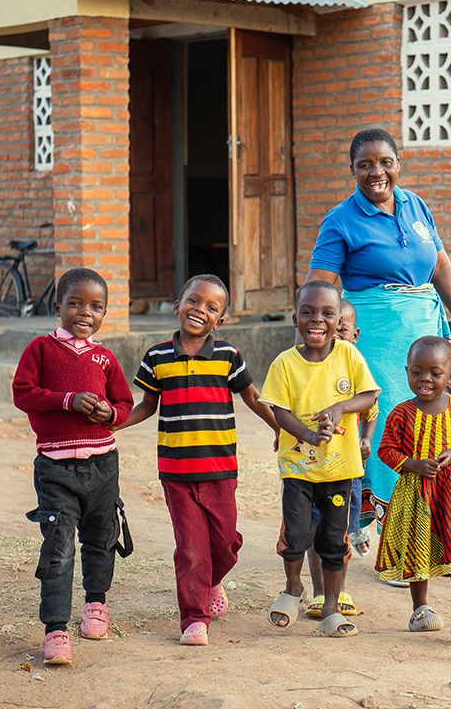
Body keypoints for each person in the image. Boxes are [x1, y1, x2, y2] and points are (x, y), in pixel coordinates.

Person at [304, 128, 451, 530]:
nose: (376, 172)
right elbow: (318, 290)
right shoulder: (340, 221)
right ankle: (390, 530)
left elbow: (440, 267)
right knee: (389, 426)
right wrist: (306, 358)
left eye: (385, 162)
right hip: (377, 341)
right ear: (352, 170)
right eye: (365, 165)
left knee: (433, 423)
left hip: (427, 337)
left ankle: (429, 524)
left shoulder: (415, 205)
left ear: (398, 164)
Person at [118, 274, 279, 646]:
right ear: (178, 305)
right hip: (175, 472)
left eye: (211, 307)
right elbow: (146, 406)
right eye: (193, 301)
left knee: (226, 544)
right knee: (190, 550)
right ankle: (194, 619)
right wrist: (113, 425)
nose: (199, 310)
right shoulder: (156, 357)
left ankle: (212, 581)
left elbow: (253, 399)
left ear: (219, 321)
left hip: (220, 469)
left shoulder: (228, 356)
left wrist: (280, 429)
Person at [11, 267, 135, 666]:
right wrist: (68, 400)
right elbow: (23, 393)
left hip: (103, 465)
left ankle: (96, 604)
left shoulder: (105, 357)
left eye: (96, 307)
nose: (86, 313)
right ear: (57, 307)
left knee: (101, 536)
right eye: (76, 304)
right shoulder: (41, 349)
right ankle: (56, 629)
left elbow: (124, 404)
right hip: (56, 469)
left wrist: (108, 412)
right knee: (59, 546)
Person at [260, 280, 379, 637]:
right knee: (296, 535)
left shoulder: (349, 356)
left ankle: (330, 606)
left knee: (333, 540)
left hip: (340, 470)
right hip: (298, 470)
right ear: (295, 318)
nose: (318, 319)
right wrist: (309, 435)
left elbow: (370, 396)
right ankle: (293, 588)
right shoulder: (284, 363)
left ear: (337, 318)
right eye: (309, 312)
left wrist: (342, 406)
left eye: (328, 313)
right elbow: (279, 411)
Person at [375, 336, 451, 638]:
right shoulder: (401, 413)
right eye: (417, 371)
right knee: (417, 546)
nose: (425, 379)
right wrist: (413, 464)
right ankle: (420, 609)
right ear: (407, 371)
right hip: (415, 497)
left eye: (435, 373)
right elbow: (386, 450)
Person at [303, 299, 376, 619]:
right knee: (310, 530)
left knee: (339, 530)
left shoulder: (357, 371)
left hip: (345, 467)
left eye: (342, 330)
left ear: (353, 334)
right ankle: (319, 593)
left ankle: (338, 590)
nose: (335, 337)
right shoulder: (306, 367)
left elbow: (371, 408)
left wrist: (366, 439)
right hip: (308, 465)